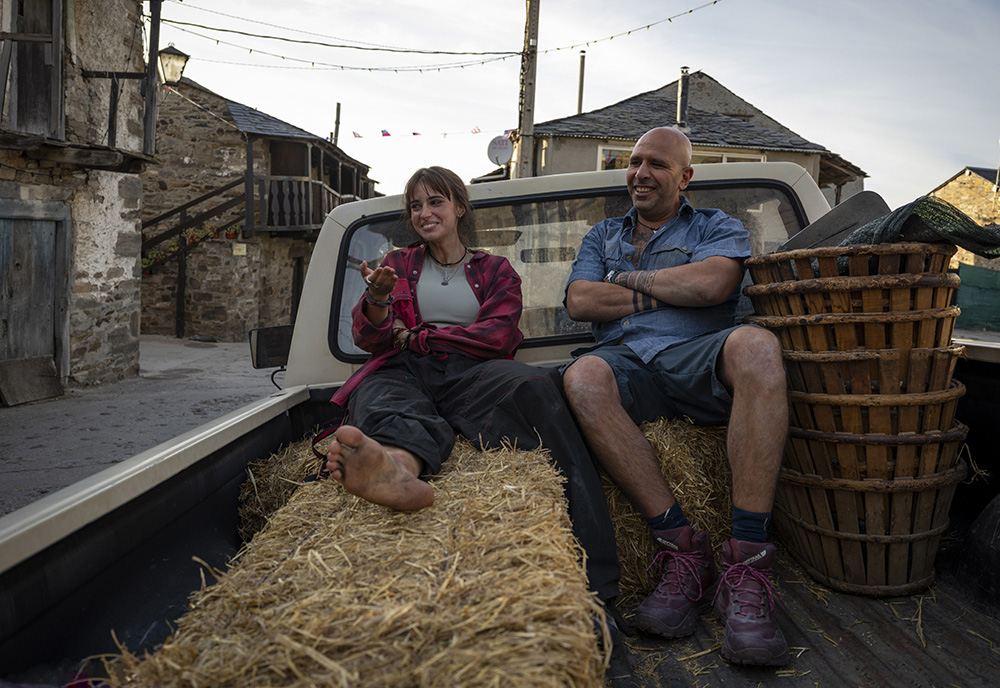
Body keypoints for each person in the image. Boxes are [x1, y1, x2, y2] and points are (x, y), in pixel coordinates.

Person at [326, 166, 622, 610]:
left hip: (472, 372)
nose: (425, 213)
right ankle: (397, 472)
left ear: (459, 207)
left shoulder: (496, 270)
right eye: (416, 205)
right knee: (382, 396)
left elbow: (496, 337)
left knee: (535, 386)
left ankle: (597, 579)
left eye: (435, 201)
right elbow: (371, 340)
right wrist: (378, 301)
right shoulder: (397, 264)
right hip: (406, 367)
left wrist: (419, 335)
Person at [560, 127, 790, 666]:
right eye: (635, 161)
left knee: (757, 346)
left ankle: (747, 565)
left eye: (657, 164)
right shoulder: (601, 236)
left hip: (695, 355)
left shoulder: (717, 225)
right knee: (582, 377)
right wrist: (664, 290)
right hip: (627, 362)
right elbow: (580, 301)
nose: (641, 172)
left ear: (685, 177)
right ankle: (681, 549)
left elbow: (711, 287)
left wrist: (628, 283)